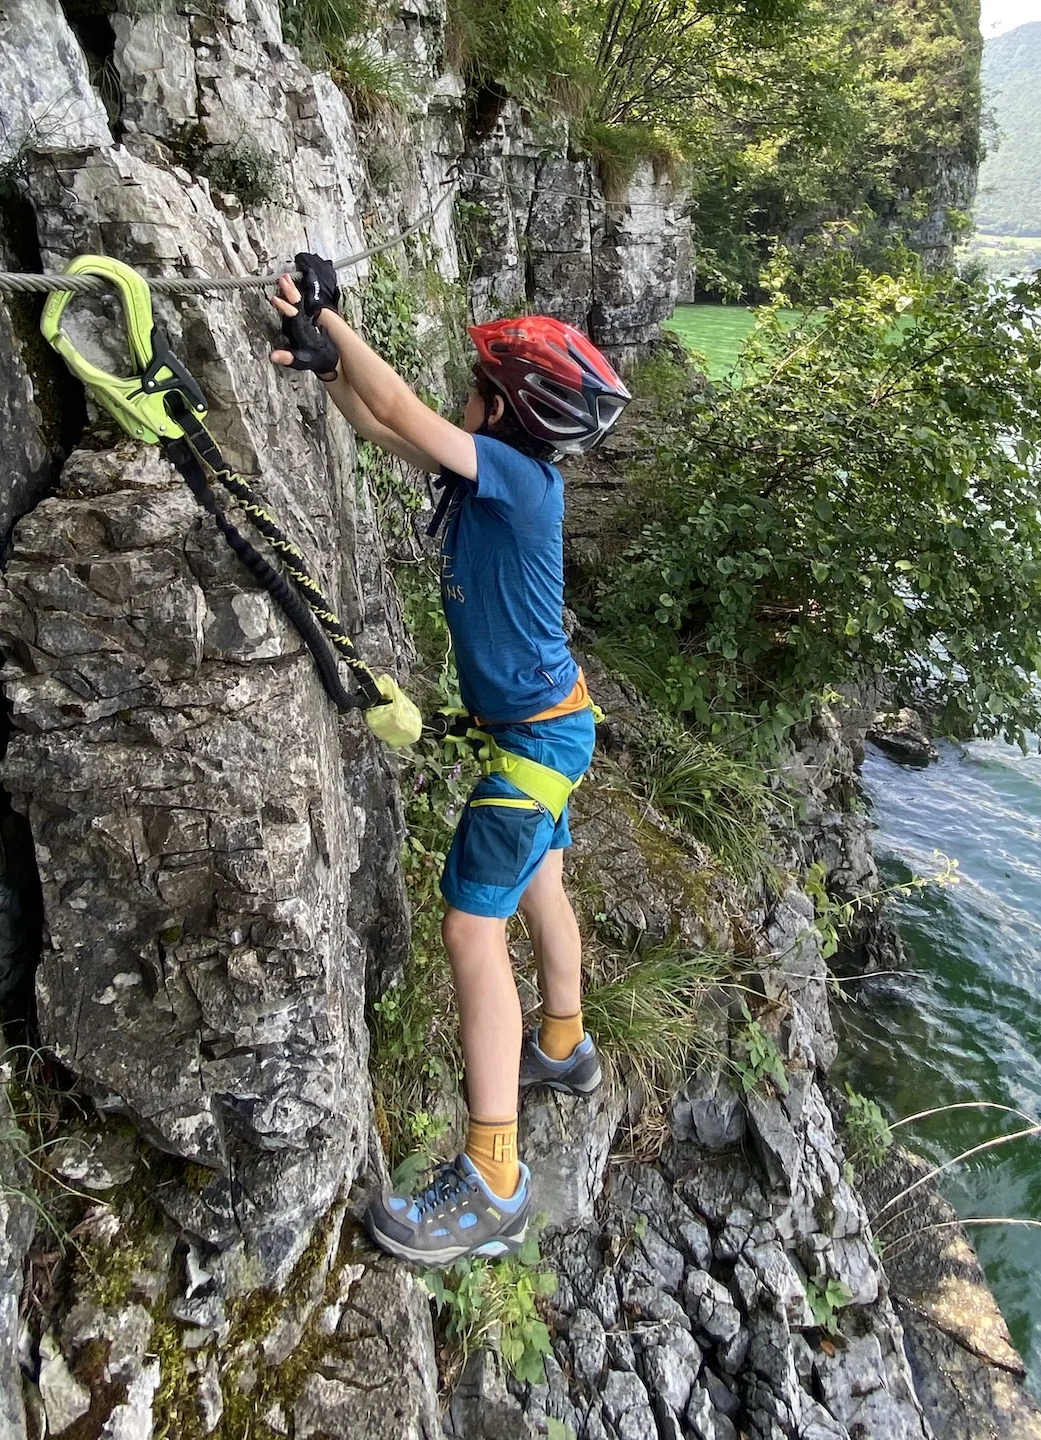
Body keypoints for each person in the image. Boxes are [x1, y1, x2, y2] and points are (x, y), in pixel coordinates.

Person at [269, 255, 631, 1264]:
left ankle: (492, 1179)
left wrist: (333, 324)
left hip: (538, 740)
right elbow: (382, 426)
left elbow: (399, 408)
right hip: (550, 726)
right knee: (542, 879)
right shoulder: (499, 475)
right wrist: (326, 368)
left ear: (502, 410)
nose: (459, 398)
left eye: (474, 388)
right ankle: (563, 1044)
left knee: (474, 927)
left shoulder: (517, 481)